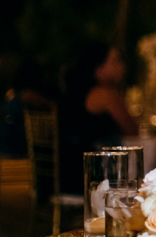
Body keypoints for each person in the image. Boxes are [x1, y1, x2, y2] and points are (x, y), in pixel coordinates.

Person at [58, 41, 139, 194]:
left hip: (65, 174)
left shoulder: (75, 92)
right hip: (90, 179)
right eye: (115, 61)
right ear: (98, 68)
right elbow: (132, 130)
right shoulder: (105, 95)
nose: (121, 66)